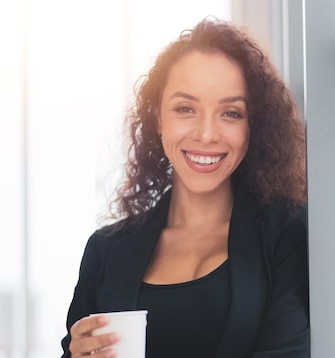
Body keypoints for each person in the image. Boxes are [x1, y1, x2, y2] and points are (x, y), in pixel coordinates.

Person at [61, 17, 309, 358]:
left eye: (231, 113)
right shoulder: (105, 251)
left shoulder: (289, 237)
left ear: (255, 126)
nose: (206, 134)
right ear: (158, 118)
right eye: (185, 109)